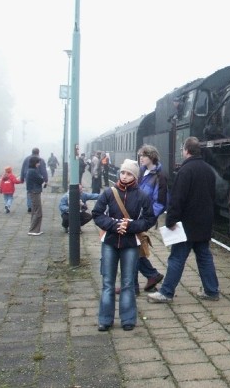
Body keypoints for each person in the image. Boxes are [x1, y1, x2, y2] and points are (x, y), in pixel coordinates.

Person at [147, 136, 220, 303]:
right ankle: (211, 290)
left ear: (186, 151)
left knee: (177, 258)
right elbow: (213, 197)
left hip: (186, 225)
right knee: (204, 257)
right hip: (204, 224)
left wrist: (170, 220)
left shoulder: (185, 171)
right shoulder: (209, 170)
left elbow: (177, 199)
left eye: (182, 149)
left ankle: (166, 292)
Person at [92, 159, 156, 332]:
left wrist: (130, 226)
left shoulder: (141, 196)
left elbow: (150, 219)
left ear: (134, 176)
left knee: (127, 283)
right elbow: (97, 214)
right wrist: (115, 225)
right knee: (107, 282)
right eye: (123, 173)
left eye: (129, 173)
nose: (125, 176)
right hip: (110, 242)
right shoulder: (108, 193)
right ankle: (105, 319)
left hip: (130, 244)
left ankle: (128, 319)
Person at [133, 144, 167, 293]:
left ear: (151, 157)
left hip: (144, 218)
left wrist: (148, 218)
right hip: (134, 215)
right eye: (140, 156)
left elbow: (159, 202)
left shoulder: (159, 176)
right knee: (133, 247)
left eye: (143, 156)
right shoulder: (141, 172)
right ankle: (151, 275)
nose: (141, 159)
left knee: (131, 247)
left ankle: (134, 284)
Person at [20, 148, 48, 213]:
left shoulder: (26, 158)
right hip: (37, 177)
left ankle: (30, 205)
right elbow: (44, 170)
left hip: (27, 176)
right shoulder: (40, 160)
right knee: (36, 190)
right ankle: (34, 205)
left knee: (29, 190)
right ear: (38, 152)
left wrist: (22, 178)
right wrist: (46, 180)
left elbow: (23, 168)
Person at [26, 156, 46, 236]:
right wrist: (43, 180)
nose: (39, 164)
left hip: (33, 191)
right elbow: (40, 180)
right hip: (35, 192)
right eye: (38, 162)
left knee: (34, 211)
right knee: (38, 211)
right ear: (35, 163)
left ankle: (34, 229)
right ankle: (33, 230)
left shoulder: (31, 170)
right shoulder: (33, 171)